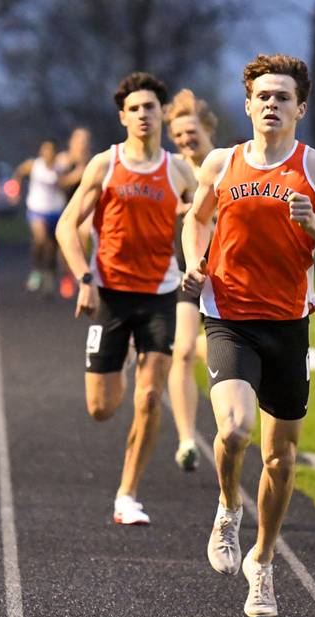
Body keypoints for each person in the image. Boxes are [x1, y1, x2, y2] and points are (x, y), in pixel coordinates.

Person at [181, 53, 315, 617]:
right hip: (229, 315)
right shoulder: (221, 162)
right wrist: (195, 261)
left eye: (283, 97)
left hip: (288, 324)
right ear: (248, 105)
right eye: (263, 96)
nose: (272, 105)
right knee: (232, 431)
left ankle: (262, 562)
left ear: (300, 108)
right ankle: (228, 508)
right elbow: (197, 218)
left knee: (280, 460)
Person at [56, 72, 196, 525]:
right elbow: (66, 225)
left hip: (160, 294)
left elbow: (205, 215)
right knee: (101, 408)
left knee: (150, 396)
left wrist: (199, 244)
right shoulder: (105, 164)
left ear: (161, 114)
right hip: (111, 296)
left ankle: (128, 495)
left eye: (150, 107)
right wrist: (83, 277)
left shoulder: (177, 170)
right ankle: (126, 357)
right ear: (122, 117)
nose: (142, 114)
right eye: (134, 108)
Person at [163, 90, 218, 472]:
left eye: (191, 131)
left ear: (207, 127)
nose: (185, 140)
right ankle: (186, 440)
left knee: (230, 355)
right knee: (181, 351)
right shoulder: (173, 170)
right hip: (188, 272)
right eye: (178, 135)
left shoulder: (227, 164)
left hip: (228, 274)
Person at [14, 139, 67, 296]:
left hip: (56, 211)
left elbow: (66, 181)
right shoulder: (34, 165)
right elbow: (19, 171)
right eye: (45, 150)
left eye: (51, 151)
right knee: (40, 239)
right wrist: (15, 188)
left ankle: (50, 274)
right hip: (37, 209)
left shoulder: (61, 166)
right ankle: (36, 270)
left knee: (51, 247)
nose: (47, 154)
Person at [56, 127, 93, 298]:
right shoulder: (64, 160)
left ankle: (82, 271)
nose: (82, 144)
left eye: (85, 141)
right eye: (79, 140)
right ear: (72, 142)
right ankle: (66, 275)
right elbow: (59, 183)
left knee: (84, 234)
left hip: (85, 207)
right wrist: (77, 174)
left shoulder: (93, 161)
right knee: (65, 243)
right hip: (64, 207)